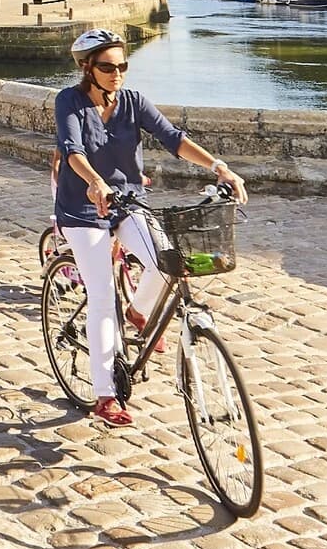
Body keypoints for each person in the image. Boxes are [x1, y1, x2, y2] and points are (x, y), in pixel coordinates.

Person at [53, 28, 247, 427]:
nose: (117, 73)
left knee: (167, 262)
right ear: (87, 68)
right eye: (108, 67)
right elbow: (73, 151)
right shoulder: (69, 101)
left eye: (123, 65)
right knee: (103, 297)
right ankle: (106, 394)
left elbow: (173, 139)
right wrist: (95, 182)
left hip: (127, 202)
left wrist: (219, 168)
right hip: (83, 210)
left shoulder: (132, 102)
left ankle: (139, 313)